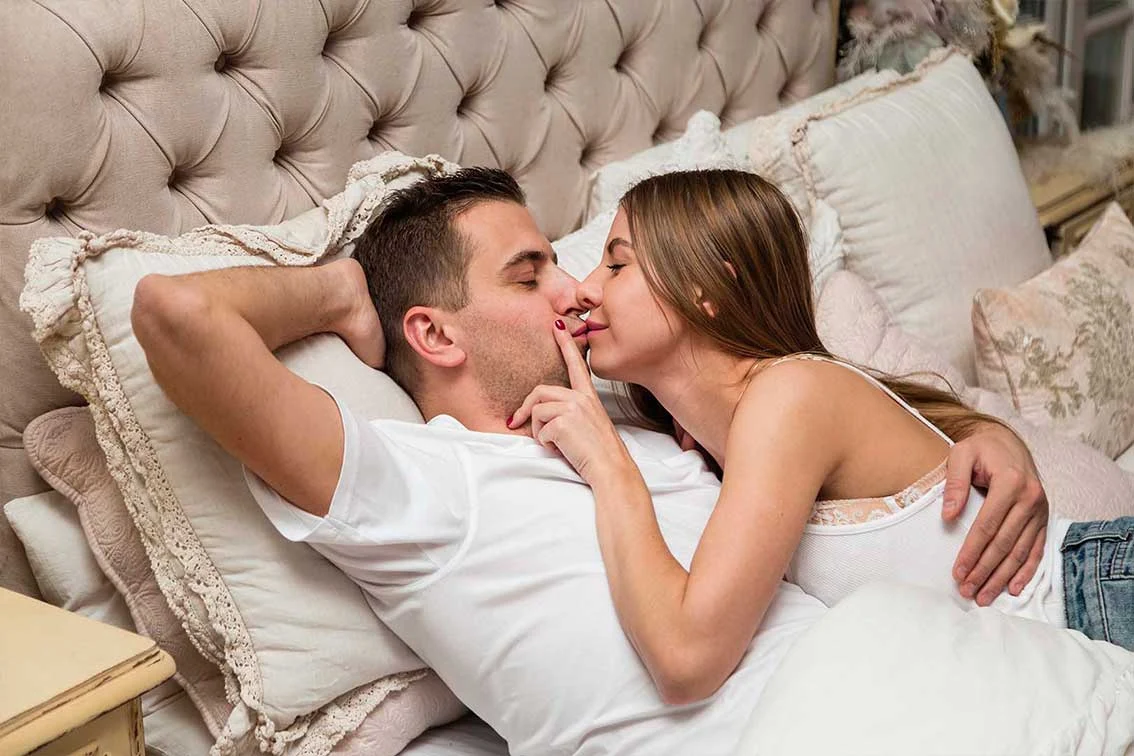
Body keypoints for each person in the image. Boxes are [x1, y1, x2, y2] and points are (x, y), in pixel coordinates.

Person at [131, 167, 1051, 754]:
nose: (574, 291)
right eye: (530, 274)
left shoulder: (640, 420)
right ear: (434, 334)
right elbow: (177, 317)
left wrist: (989, 437)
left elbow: (832, 410)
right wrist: (344, 290)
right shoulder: (416, 485)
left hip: (956, 685)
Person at [506, 168, 1134, 708]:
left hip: (1098, 597)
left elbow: (687, 662)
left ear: (705, 289)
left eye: (617, 264)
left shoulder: (788, 396)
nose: (585, 287)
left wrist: (609, 467)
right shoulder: (705, 431)